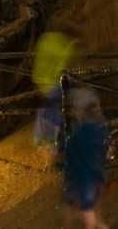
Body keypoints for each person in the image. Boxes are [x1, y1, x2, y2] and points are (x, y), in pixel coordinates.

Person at [63, 87, 110, 229]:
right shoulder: (96, 128)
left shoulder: (80, 132)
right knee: (89, 203)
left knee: (87, 204)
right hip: (89, 171)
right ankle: (94, 223)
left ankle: (93, 222)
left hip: (85, 173)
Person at [32, 25, 79, 155]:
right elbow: (64, 66)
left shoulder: (45, 39)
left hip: (42, 81)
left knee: (47, 112)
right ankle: (56, 148)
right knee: (59, 114)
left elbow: (39, 62)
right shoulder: (68, 44)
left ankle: (44, 144)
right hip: (57, 84)